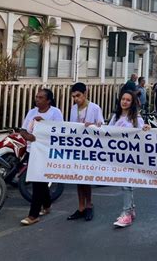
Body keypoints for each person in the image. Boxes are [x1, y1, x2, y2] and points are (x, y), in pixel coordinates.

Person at [18, 89, 63, 225]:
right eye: (36, 97)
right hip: (33, 150)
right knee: (40, 181)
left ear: (48, 100)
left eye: (41, 98)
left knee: (38, 181)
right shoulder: (32, 112)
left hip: (47, 151)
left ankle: (33, 214)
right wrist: (28, 136)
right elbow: (23, 130)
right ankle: (47, 204)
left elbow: (60, 131)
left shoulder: (55, 112)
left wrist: (43, 123)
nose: (37, 99)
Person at [109, 91, 150, 227]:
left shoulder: (136, 119)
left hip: (130, 157)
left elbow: (143, 135)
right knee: (124, 183)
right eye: (123, 99)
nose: (124, 102)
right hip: (118, 156)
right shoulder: (115, 117)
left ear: (132, 103)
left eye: (128, 100)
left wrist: (145, 129)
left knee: (127, 183)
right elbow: (107, 133)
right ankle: (131, 210)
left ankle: (126, 213)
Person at [67, 82, 104, 222]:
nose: (76, 99)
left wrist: (93, 126)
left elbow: (101, 126)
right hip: (77, 147)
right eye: (74, 96)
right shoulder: (73, 109)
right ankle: (81, 206)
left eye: (78, 96)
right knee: (78, 177)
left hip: (90, 148)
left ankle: (89, 204)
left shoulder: (94, 108)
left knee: (86, 177)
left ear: (85, 94)